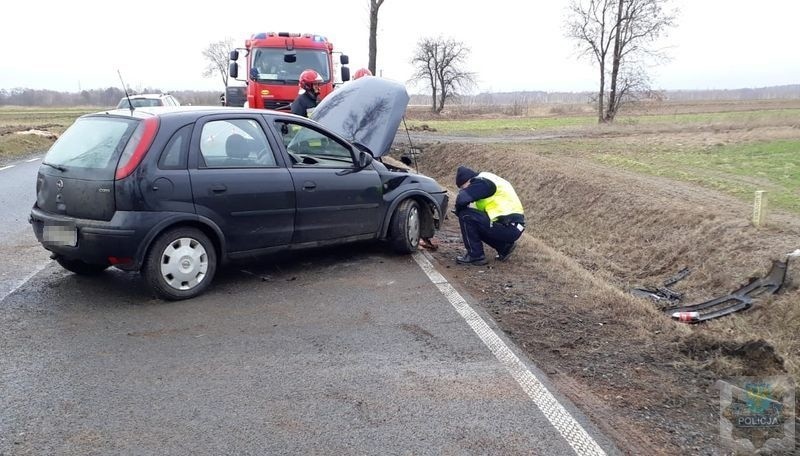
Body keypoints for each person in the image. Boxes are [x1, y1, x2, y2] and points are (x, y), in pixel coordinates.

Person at [453, 166, 525, 265]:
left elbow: (462, 198)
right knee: (474, 222)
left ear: (468, 181)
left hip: (508, 226)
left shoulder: (481, 182)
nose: (462, 190)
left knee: (466, 216)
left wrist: (458, 210)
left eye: (462, 187)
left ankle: (475, 256)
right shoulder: (487, 178)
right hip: (512, 225)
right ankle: (504, 247)